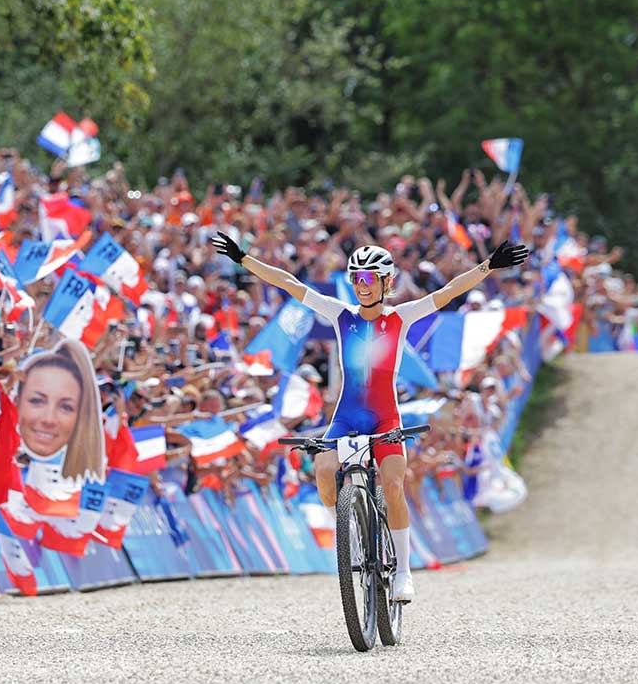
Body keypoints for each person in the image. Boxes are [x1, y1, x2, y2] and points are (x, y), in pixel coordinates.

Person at [211, 232, 528, 602]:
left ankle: (404, 573)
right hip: (346, 416)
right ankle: (347, 536)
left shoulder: (400, 317)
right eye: (356, 279)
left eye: (369, 279)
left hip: (385, 418)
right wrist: (244, 259)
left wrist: (487, 266)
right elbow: (289, 282)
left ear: (386, 283)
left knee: (393, 484)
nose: (362, 286)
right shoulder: (340, 315)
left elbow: (448, 293)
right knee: (324, 471)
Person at [15, 338, 106, 481]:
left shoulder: (85, 483)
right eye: (37, 401)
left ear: (81, 415)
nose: (48, 419)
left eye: (66, 407)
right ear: (16, 401)